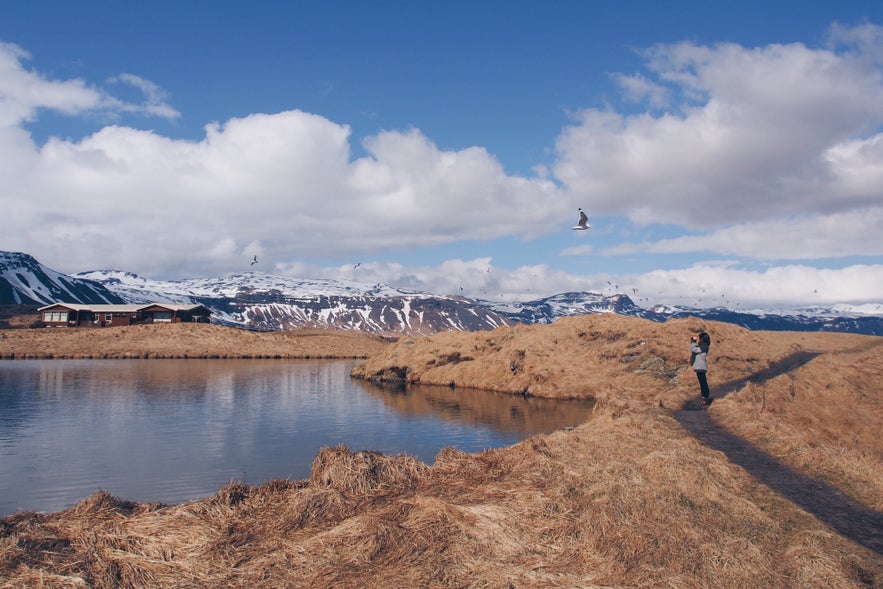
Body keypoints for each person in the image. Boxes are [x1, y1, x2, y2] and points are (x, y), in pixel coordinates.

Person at [690, 332, 712, 404]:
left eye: (700, 338)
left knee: (703, 383)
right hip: (700, 367)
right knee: (702, 383)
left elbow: (693, 349)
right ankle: (704, 397)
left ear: (702, 339)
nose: (699, 340)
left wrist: (693, 342)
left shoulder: (704, 346)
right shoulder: (703, 346)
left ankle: (706, 397)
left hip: (701, 367)